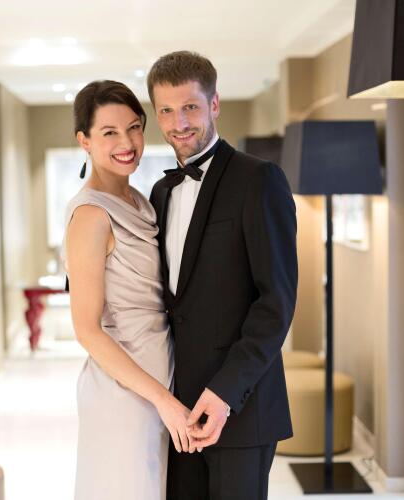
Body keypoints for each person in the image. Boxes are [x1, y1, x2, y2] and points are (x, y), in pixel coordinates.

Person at [147, 51, 298, 500]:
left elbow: (275, 304)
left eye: (190, 107)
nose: (178, 123)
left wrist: (225, 392)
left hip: (242, 407)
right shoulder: (160, 192)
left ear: (214, 104)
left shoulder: (260, 179)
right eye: (166, 110)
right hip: (179, 410)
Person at [64, 80, 193, 500]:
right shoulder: (90, 215)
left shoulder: (140, 199)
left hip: (158, 382)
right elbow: (87, 330)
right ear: (84, 141)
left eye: (134, 127)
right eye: (109, 132)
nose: (127, 143)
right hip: (123, 395)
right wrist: (164, 401)